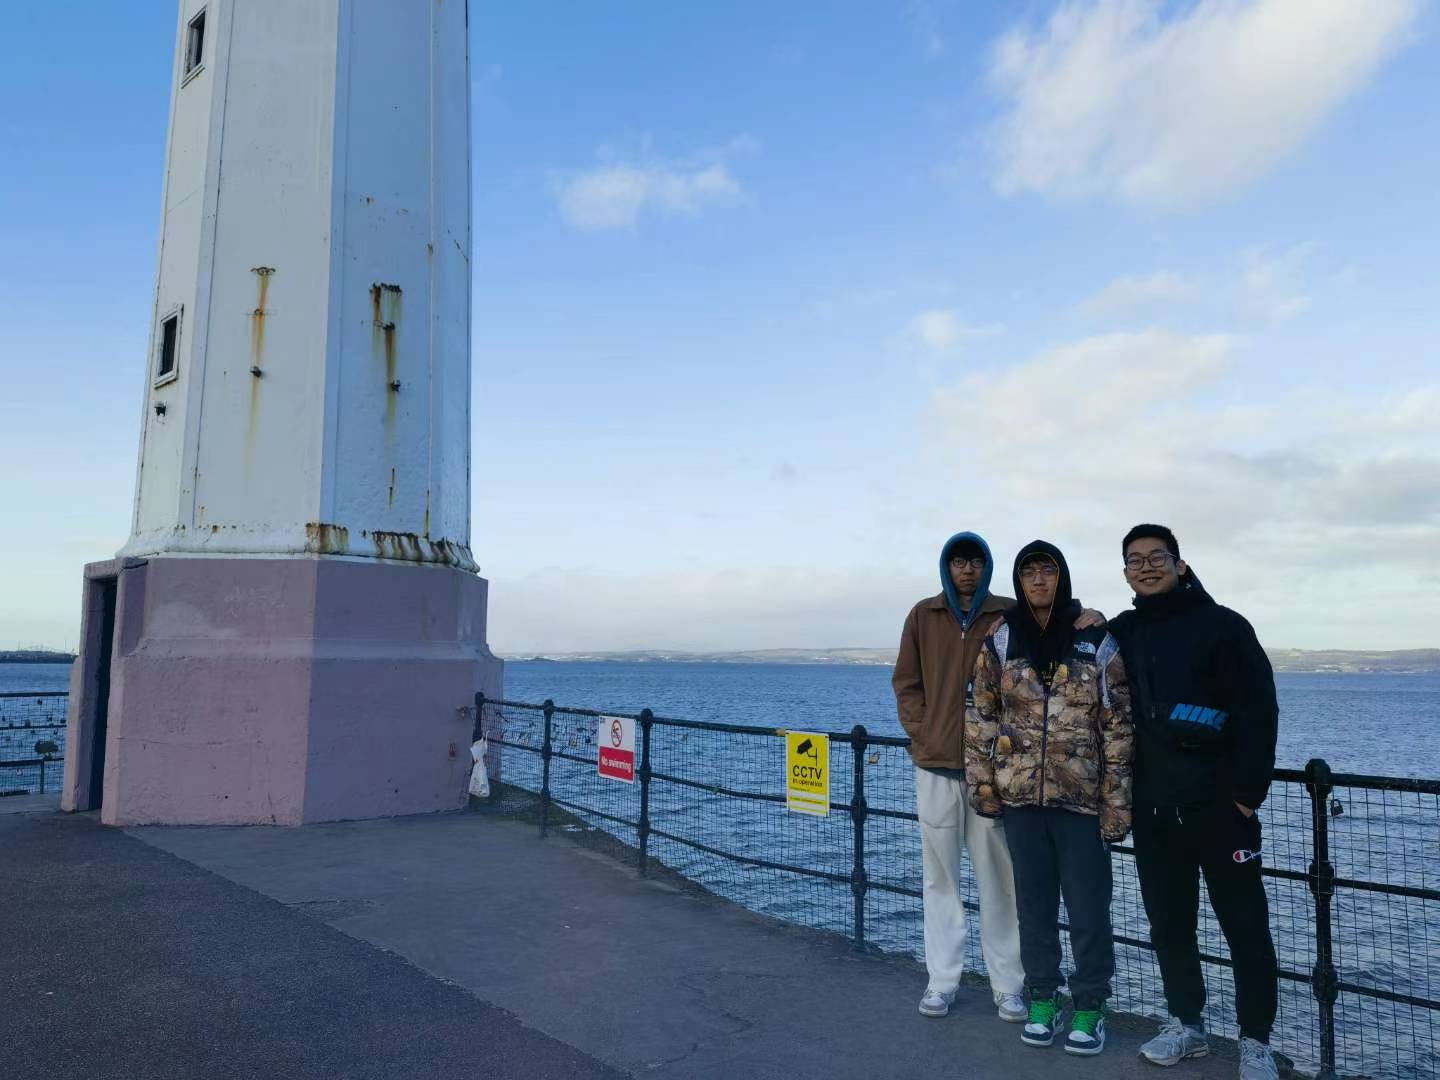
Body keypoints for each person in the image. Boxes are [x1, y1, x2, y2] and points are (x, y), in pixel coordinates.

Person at [1106, 525, 1280, 1080]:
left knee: (1245, 927)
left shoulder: (1226, 626)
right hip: (1155, 810)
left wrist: (1246, 797)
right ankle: (1188, 1025)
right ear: (1126, 573)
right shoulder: (1123, 630)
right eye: (1135, 560)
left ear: (1181, 564)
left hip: (1221, 810)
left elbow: (1260, 712)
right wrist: (1083, 615)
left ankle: (1256, 1041)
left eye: (1157, 556)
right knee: (1169, 926)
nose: (1146, 566)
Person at [967, 540, 1132, 1057]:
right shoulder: (1001, 638)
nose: (1038, 579)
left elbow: (1118, 724)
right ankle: (1043, 997)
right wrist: (983, 783)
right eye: (1028, 571)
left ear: (1062, 576)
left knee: (1088, 909)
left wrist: (1116, 802)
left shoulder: (1094, 637)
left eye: (1048, 570)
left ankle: (1090, 1005)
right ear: (1018, 581)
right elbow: (981, 715)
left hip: (1081, 802)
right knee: (1033, 907)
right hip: (1020, 800)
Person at [893, 532, 1027, 1023]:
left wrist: (1087, 613)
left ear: (986, 565)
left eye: (974, 560)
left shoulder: (1009, 613)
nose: (967, 569)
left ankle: (1008, 986)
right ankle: (942, 981)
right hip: (936, 766)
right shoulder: (922, 615)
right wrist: (924, 732)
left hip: (992, 770)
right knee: (940, 880)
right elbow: (906, 683)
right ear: (946, 567)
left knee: (1000, 881)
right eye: (958, 561)